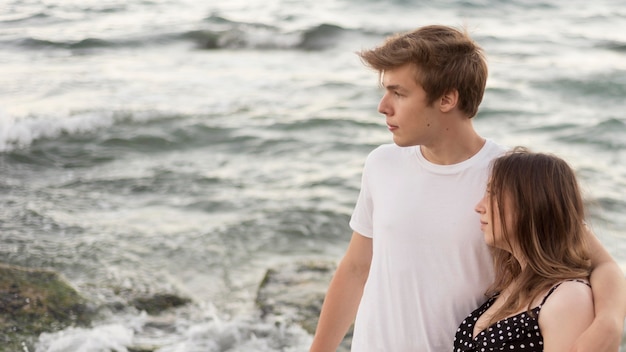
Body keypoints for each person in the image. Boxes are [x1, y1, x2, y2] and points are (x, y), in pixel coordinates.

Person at [309, 25, 626, 352]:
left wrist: (609, 323)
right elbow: (357, 268)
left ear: (447, 98)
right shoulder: (381, 163)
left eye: (399, 93)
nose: (383, 106)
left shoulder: (507, 177)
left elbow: (600, 264)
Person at [454, 147, 595, 351]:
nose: (479, 206)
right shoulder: (513, 283)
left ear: (531, 204)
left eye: (492, 193)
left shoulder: (569, 297)